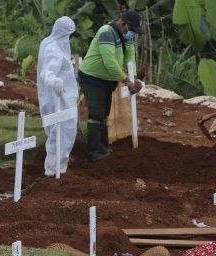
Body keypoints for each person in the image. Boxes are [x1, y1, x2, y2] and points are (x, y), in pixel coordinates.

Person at [78, 10, 144, 162]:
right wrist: (127, 81)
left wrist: (132, 76)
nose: (133, 34)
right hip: (92, 77)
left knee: (104, 114)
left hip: (107, 80)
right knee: (96, 114)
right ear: (124, 24)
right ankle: (95, 153)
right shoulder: (106, 32)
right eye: (132, 30)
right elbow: (110, 63)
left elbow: (129, 57)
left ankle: (104, 148)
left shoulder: (127, 37)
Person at [37, 16, 79, 177]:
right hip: (58, 99)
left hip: (64, 98)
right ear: (63, 34)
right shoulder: (53, 49)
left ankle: (59, 168)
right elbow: (47, 73)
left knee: (63, 133)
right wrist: (55, 81)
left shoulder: (51, 44)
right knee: (61, 133)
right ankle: (54, 170)